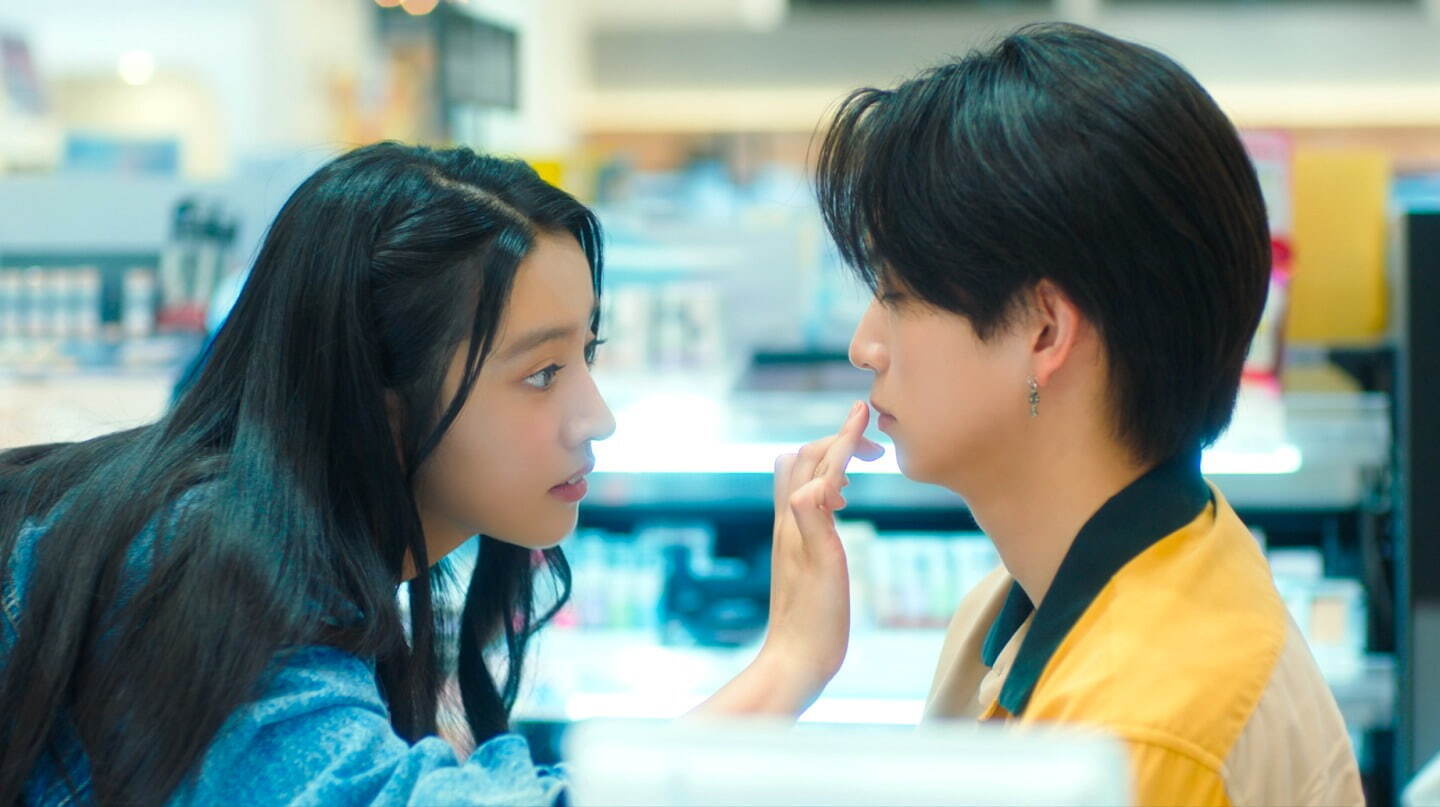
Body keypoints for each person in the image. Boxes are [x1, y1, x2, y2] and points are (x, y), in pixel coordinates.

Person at [0, 143, 880, 805]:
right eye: (542, 372)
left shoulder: (265, 536)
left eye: (588, 354)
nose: (597, 417)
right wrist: (789, 664)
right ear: (381, 394)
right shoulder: (207, 572)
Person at [816, 22, 1363, 807]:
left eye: (898, 294)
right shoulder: (1034, 593)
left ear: (1045, 331)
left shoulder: (1139, 735)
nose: (865, 346)